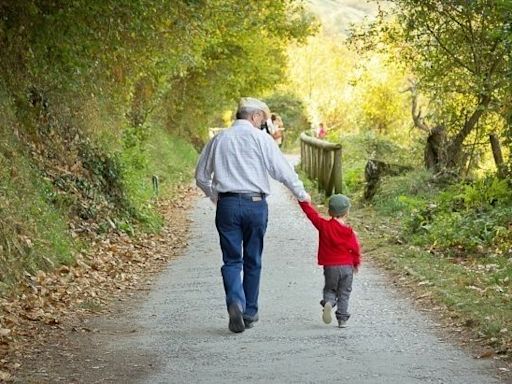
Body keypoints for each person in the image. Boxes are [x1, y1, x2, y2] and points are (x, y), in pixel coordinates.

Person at [195, 97, 311, 333]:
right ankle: (249, 311)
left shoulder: (219, 139)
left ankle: (235, 302)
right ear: (255, 116)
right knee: (253, 259)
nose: (263, 124)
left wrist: (216, 197)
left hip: (227, 204)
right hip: (256, 204)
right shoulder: (262, 139)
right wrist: (302, 194)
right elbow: (282, 171)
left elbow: (201, 176)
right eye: (263, 119)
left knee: (231, 260)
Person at [298, 194, 361, 328]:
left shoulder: (323, 226)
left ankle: (328, 302)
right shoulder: (349, 232)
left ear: (329, 211)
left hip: (330, 267)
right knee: (344, 292)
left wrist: (302, 200)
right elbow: (355, 249)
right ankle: (342, 319)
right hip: (347, 267)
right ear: (347, 212)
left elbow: (311, 215)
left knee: (330, 289)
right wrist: (355, 263)